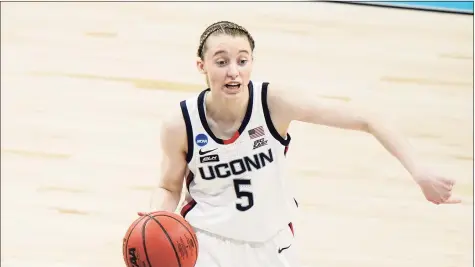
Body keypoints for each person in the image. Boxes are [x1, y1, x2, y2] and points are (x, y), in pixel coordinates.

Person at [140, 21, 460, 267]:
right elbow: (169, 186)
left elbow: (367, 117)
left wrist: (419, 170)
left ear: (252, 62)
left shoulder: (275, 103)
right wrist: (155, 219)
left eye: (242, 60)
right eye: (221, 62)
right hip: (207, 244)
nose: (233, 71)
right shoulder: (179, 123)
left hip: (273, 243)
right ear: (202, 66)